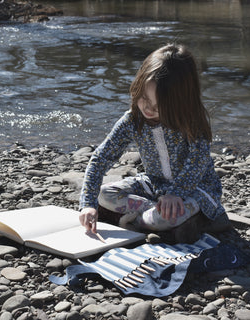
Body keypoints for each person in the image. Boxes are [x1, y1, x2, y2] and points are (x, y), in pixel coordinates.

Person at [78, 43, 229, 243]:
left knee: (170, 216)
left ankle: (161, 220)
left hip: (196, 190)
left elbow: (198, 162)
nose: (147, 109)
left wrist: (176, 193)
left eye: (158, 106)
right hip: (154, 185)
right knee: (104, 195)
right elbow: (101, 157)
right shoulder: (133, 120)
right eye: (143, 98)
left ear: (180, 102)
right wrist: (87, 204)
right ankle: (154, 217)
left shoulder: (190, 121)